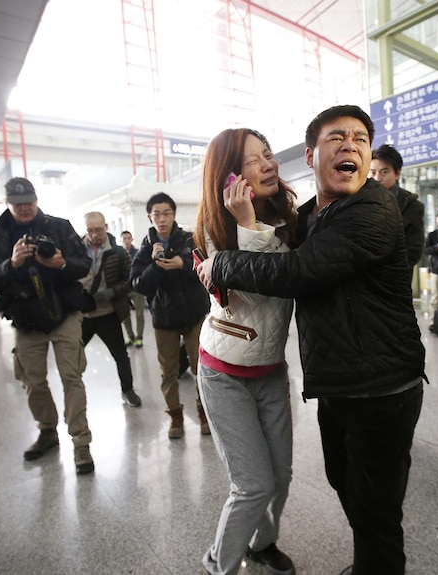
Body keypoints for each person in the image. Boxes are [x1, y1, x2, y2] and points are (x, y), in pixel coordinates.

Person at [196, 105, 426, 575]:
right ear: (311, 154)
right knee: (341, 482)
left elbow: (296, 273)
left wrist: (225, 258)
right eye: (337, 138)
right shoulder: (304, 215)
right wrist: (234, 235)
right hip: (325, 379)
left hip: (380, 385)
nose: (351, 146)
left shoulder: (369, 210)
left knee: (373, 508)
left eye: (361, 139)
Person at [193, 128, 299, 575]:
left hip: (271, 369)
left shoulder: (291, 218)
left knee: (281, 478)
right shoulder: (213, 229)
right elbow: (251, 289)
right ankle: (220, 565)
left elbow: (292, 271)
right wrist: (248, 225)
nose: (269, 164)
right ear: (230, 174)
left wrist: (256, 224)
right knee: (253, 484)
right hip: (224, 374)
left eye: (269, 154)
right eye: (255, 160)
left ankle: (262, 542)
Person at [0, 177, 96, 474]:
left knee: (72, 377)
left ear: (36, 198)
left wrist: (60, 264)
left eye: (29, 201)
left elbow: (84, 265)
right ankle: (47, 431)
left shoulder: (58, 225)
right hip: (26, 320)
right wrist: (12, 264)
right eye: (18, 204)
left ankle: (81, 443)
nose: (25, 207)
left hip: (65, 314)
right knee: (33, 381)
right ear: (8, 204)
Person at [130, 192, 210, 439]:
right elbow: (138, 285)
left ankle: (204, 411)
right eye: (157, 214)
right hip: (164, 319)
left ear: (174, 215)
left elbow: (206, 265)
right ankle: (175, 415)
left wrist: (182, 264)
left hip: (194, 314)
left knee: (201, 368)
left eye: (166, 213)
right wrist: (155, 265)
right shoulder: (145, 248)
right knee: (168, 371)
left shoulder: (189, 239)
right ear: (149, 217)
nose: (162, 219)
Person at [81, 213, 141, 407]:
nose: (94, 235)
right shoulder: (76, 251)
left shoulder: (119, 253)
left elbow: (130, 281)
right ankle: (74, 395)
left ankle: (128, 390)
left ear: (105, 227)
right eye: (90, 231)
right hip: (82, 316)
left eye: (98, 230)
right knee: (72, 357)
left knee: (121, 356)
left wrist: (111, 292)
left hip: (108, 314)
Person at [369, 144, 425, 267]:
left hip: (394, 280)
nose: (377, 178)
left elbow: (413, 253)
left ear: (397, 173)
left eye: (384, 172)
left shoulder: (413, 207)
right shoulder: (358, 202)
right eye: (372, 173)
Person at [120, 230, 146, 347]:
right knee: (125, 315)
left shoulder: (138, 253)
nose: (126, 241)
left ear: (132, 239)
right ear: (121, 240)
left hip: (136, 289)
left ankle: (139, 337)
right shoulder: (119, 254)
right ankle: (130, 336)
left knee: (139, 314)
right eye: (124, 238)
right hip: (123, 289)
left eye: (128, 238)